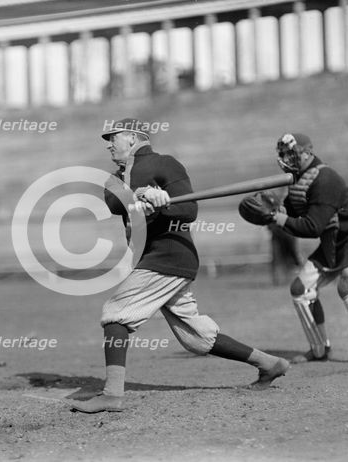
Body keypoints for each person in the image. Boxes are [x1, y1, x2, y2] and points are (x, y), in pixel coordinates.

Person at [70, 118, 290, 414]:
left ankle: (112, 395)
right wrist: (140, 195)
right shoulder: (116, 178)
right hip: (155, 258)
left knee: (115, 314)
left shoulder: (165, 164)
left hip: (169, 255)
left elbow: (189, 211)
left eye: (114, 138)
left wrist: (165, 204)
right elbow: (111, 201)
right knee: (196, 337)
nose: (109, 144)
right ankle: (270, 363)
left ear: (134, 139)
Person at [267, 133, 348, 368]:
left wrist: (280, 219)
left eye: (293, 154)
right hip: (332, 241)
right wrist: (270, 211)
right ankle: (319, 349)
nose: (288, 159)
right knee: (300, 289)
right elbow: (294, 217)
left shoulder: (325, 179)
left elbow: (311, 227)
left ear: (308, 152)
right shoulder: (298, 181)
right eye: (284, 154)